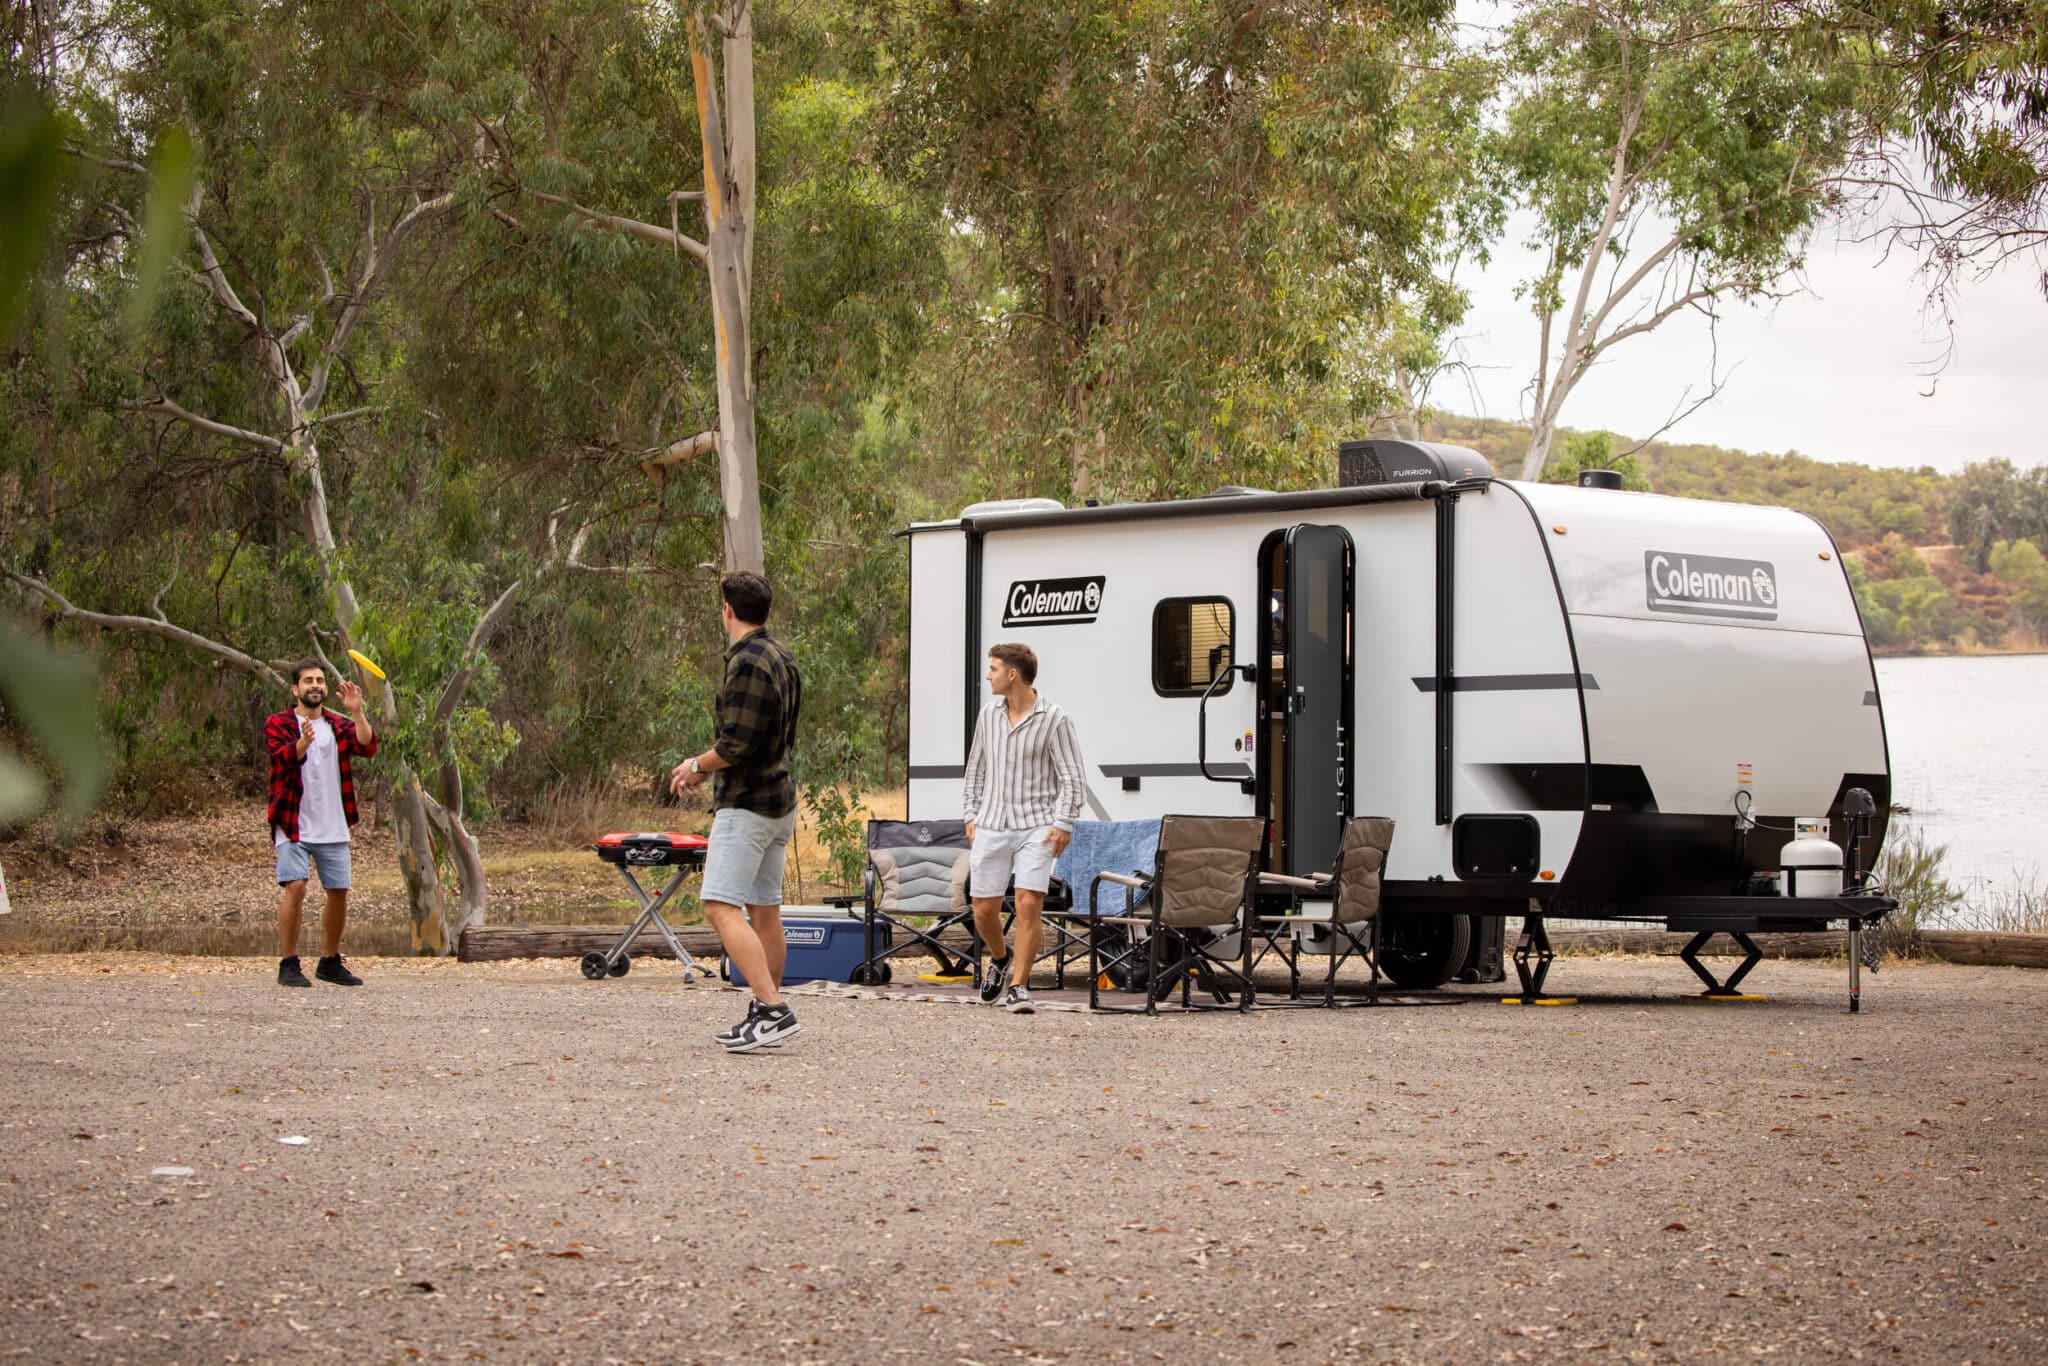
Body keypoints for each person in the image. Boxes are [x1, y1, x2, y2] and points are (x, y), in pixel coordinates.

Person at [671, 571, 804, 1053]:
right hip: (777, 803)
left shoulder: (747, 661)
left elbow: (737, 743)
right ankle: (762, 1012)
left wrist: (694, 765)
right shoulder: (782, 657)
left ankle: (773, 1008)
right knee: (764, 912)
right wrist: (711, 767)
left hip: (747, 806)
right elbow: (756, 740)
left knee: (719, 907)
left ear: (727, 610)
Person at [962, 642, 1086, 1014]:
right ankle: (1000, 959)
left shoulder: (1055, 719)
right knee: (983, 909)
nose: (989, 675)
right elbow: (976, 769)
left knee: (1028, 901)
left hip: (1038, 825)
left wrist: (1063, 823)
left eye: (994, 668)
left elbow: (1073, 778)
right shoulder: (989, 716)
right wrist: (971, 813)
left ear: (1012, 674)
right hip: (992, 822)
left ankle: (1019, 986)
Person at [265, 658, 378, 988]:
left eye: (319, 681)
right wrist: (300, 745)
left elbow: (367, 746)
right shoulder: (278, 722)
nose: (315, 685)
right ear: (295, 689)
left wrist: (357, 711)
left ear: (325, 689)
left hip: (333, 823)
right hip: (293, 821)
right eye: (308, 681)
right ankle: (288, 964)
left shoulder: (337, 725)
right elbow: (279, 756)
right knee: (296, 886)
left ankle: (329, 961)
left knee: (339, 892)